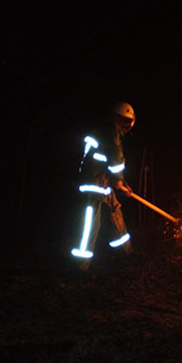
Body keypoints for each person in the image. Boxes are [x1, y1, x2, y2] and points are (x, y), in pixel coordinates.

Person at [70, 102, 135, 269]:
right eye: (126, 120)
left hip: (102, 182)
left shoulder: (107, 130)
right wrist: (119, 180)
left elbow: (108, 162)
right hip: (93, 183)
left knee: (115, 213)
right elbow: (116, 158)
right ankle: (80, 266)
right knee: (90, 224)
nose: (127, 125)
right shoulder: (111, 130)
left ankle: (126, 254)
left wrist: (123, 184)